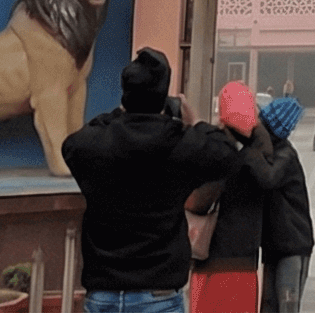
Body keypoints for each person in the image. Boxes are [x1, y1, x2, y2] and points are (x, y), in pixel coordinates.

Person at [63, 49, 250, 313]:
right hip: (158, 294)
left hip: (103, 293)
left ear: (124, 95)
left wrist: (120, 115)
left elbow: (73, 143)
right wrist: (195, 123)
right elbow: (227, 156)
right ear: (164, 98)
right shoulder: (180, 145)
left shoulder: (95, 145)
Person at [191, 84, 282, 313]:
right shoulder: (262, 157)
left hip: (211, 264)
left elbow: (196, 203)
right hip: (245, 266)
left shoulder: (216, 154)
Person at [259, 98, 314, 313]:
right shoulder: (274, 152)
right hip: (276, 244)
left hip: (292, 245)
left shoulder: (284, 155)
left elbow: (268, 178)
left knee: (286, 306)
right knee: (270, 306)